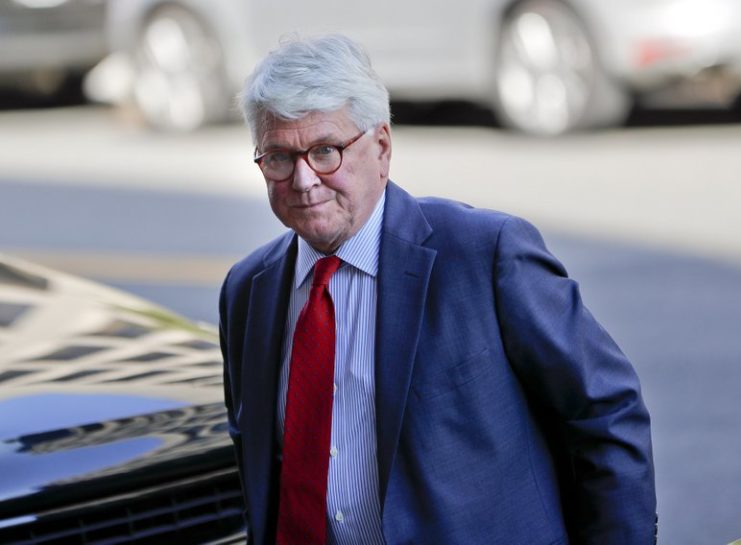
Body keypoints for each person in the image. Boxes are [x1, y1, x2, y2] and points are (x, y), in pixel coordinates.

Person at [219, 34, 656, 545]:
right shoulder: (248, 291)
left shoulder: (485, 255)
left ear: (381, 147)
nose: (303, 180)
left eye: (324, 152)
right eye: (278, 157)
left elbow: (606, 413)